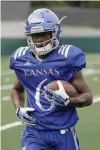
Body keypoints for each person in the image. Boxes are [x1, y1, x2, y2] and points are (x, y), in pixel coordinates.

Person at [10, 8, 93, 150]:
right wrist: (19, 108)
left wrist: (69, 101)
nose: (39, 39)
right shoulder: (21, 59)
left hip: (63, 132)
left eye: (43, 34)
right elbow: (16, 89)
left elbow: (88, 97)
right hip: (33, 133)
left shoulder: (68, 58)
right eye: (35, 35)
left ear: (55, 32)